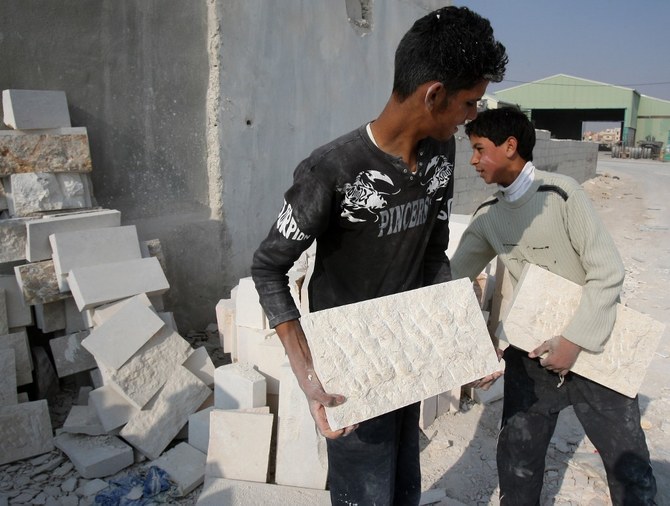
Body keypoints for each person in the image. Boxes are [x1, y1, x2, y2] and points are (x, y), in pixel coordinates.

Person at [251, 6, 507, 505]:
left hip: (407, 351)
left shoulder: (439, 155)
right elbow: (267, 267)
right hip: (350, 367)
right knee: (364, 493)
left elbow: (435, 251)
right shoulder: (332, 170)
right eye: (470, 103)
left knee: (402, 486)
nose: (474, 116)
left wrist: (463, 338)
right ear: (434, 95)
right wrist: (310, 376)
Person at [450, 107, 657, 505]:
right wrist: (475, 349)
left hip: (596, 350)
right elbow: (452, 284)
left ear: (510, 147)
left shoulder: (562, 195)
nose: (472, 160)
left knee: (628, 467)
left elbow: (607, 272)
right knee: (517, 462)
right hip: (531, 357)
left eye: (479, 149)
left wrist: (575, 341)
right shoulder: (488, 217)